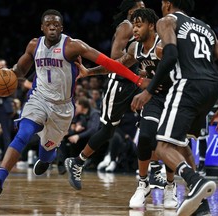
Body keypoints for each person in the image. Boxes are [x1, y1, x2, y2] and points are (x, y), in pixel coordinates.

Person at [0, 9, 148, 205]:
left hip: (62, 109)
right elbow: (20, 71)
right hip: (38, 99)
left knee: (46, 153)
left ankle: (46, 159)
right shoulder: (34, 45)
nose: (52, 27)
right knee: (23, 133)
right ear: (42, 27)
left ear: (62, 27)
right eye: (48, 24)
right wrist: (6, 72)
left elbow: (110, 63)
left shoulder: (73, 46)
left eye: (57, 24)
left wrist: (137, 80)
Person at [130, 0, 218, 215]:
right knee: (182, 143)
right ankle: (201, 203)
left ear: (167, 4)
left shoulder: (167, 21)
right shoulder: (206, 28)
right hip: (212, 86)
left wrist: (148, 91)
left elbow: (170, 56)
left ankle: (194, 180)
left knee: (162, 146)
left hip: (188, 84)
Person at [71, 8, 179, 209]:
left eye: (139, 25)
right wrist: (89, 72)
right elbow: (116, 65)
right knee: (146, 138)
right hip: (153, 98)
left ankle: (170, 187)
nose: (134, 29)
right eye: (134, 25)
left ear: (151, 26)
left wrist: (152, 81)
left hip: (173, 96)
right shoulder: (135, 49)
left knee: (166, 142)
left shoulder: (162, 46)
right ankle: (142, 184)